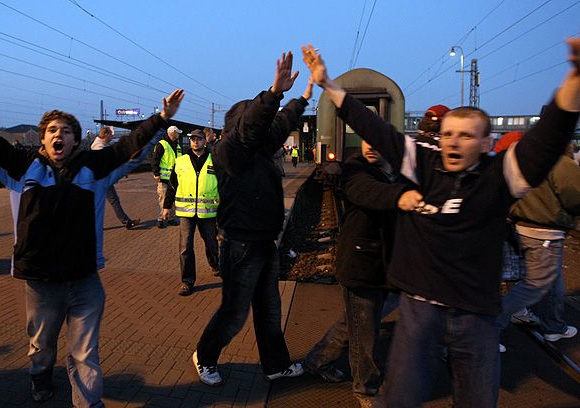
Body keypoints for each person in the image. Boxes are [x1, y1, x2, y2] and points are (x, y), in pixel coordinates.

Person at [302, 38, 580, 407]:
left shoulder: (500, 177)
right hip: (419, 311)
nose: (453, 141)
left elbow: (547, 139)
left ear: (486, 143)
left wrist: (575, 78)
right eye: (448, 133)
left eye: (466, 135)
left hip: (475, 316)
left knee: (477, 399)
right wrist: (328, 84)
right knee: (400, 397)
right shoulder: (425, 164)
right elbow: (375, 128)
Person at [0, 48, 184, 407]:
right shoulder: (20, 169)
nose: (59, 135)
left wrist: (160, 117)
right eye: (52, 130)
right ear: (42, 139)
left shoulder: (94, 169)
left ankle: (88, 403)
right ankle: (40, 375)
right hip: (40, 283)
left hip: (85, 281)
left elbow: (130, 148)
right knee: (41, 346)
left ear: (76, 139)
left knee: (84, 354)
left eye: (67, 131)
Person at [192, 52, 312, 386]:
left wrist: (302, 97)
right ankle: (205, 356)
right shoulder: (229, 152)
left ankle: (276, 365)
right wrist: (274, 94)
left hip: (264, 242)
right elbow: (254, 127)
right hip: (240, 244)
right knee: (233, 314)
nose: (262, 128)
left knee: (270, 311)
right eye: (253, 122)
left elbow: (279, 124)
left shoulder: (258, 149)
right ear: (240, 125)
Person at [303, 140, 417, 406]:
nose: (371, 145)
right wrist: (404, 197)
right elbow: (368, 193)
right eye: (366, 138)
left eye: (376, 138)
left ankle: (316, 360)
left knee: (354, 323)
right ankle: (365, 389)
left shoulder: (401, 171)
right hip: (361, 265)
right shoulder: (355, 170)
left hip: (387, 265)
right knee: (365, 335)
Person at [496, 138, 580, 349]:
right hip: (545, 232)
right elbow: (575, 197)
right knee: (535, 285)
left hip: (522, 227)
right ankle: (490, 327)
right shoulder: (560, 162)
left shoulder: (525, 159)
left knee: (548, 281)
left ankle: (554, 327)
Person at [162, 129, 219, 296]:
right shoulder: (180, 162)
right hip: (186, 213)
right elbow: (172, 187)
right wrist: (166, 207)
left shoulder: (215, 161)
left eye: (199, 139)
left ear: (205, 141)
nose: (195, 142)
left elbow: (223, 185)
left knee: (211, 244)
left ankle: (215, 264)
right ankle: (187, 282)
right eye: (193, 139)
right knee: (185, 248)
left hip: (207, 213)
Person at [91, 127, 140, 230]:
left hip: (101, 179)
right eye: (111, 134)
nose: (112, 136)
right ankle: (126, 222)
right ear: (105, 134)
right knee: (113, 201)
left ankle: (126, 221)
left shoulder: (100, 145)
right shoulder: (99, 147)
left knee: (104, 202)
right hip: (102, 180)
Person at [152, 125, 183, 228]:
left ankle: (171, 218)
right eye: (177, 132)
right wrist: (156, 174)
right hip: (164, 178)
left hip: (175, 178)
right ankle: (161, 219)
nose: (179, 134)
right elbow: (155, 160)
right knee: (164, 198)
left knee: (173, 199)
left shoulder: (177, 145)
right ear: (172, 133)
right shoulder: (162, 145)